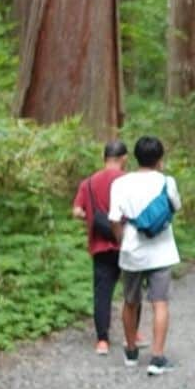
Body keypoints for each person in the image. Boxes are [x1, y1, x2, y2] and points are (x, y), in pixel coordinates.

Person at [108, 135, 182, 376]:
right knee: (160, 303)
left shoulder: (121, 183)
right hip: (161, 251)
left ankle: (131, 351)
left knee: (130, 301)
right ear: (160, 159)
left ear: (135, 158)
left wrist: (122, 241)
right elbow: (176, 207)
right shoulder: (167, 181)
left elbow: (114, 219)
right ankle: (157, 357)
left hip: (132, 249)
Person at [71, 140, 128, 354]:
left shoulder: (88, 183)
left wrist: (92, 217)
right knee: (131, 291)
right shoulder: (127, 180)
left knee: (102, 293)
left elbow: (76, 211)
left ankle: (102, 340)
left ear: (104, 158)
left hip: (100, 244)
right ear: (124, 158)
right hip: (126, 243)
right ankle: (133, 335)